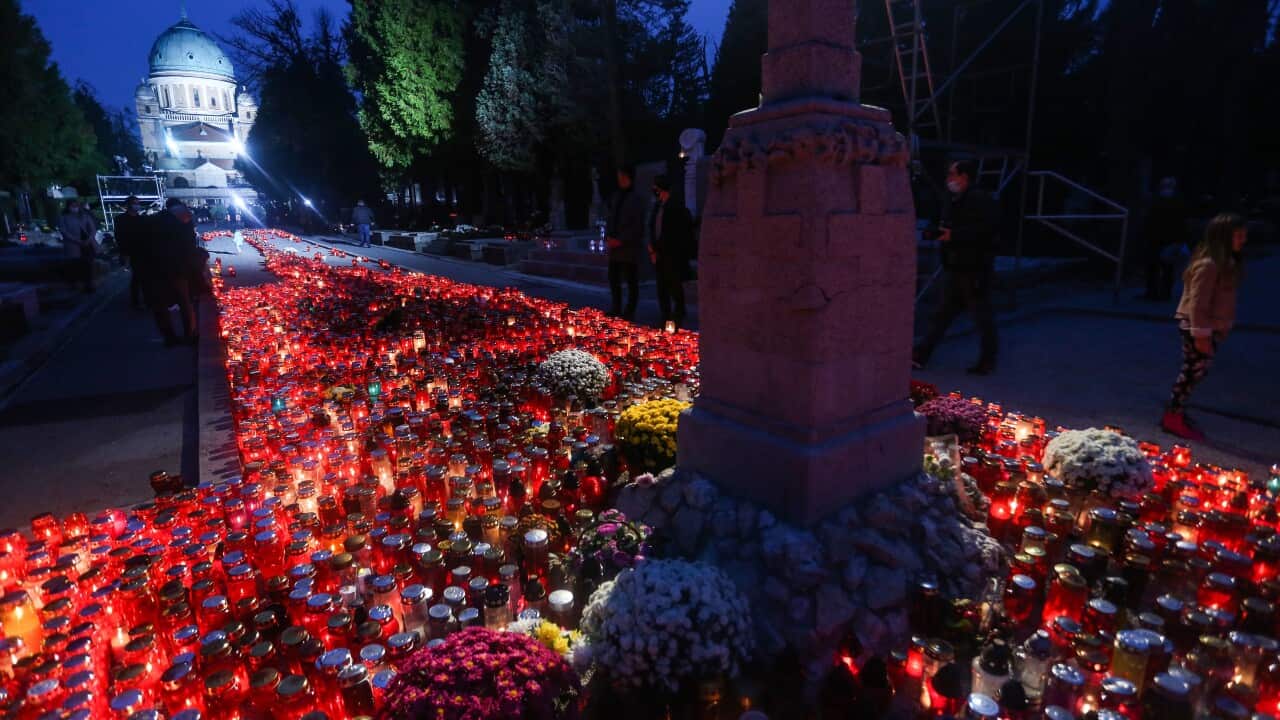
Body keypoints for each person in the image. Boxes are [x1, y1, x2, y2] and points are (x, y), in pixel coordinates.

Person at [1160, 213, 1247, 441]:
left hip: (1209, 328)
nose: (1242, 241)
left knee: (1195, 372)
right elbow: (1198, 303)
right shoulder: (1208, 266)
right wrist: (1201, 335)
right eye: (1237, 236)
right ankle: (1173, 415)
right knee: (1191, 373)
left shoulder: (1224, 264)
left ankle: (1176, 411)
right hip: (1197, 329)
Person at [913, 160, 1001, 375]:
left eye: (953, 174)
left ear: (965, 177)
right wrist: (938, 231)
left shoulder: (979, 199)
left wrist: (955, 235)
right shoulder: (954, 199)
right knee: (943, 314)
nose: (949, 179)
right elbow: (949, 224)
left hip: (974, 268)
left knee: (981, 316)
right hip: (956, 265)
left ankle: (987, 361)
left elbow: (985, 231)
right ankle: (921, 354)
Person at [140, 198, 200, 346]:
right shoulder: (183, 223)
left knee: (160, 305)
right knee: (184, 302)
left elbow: (142, 245)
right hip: (177, 268)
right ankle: (190, 335)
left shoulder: (151, 221)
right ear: (179, 211)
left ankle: (169, 338)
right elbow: (190, 247)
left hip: (154, 269)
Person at [647, 174, 694, 327]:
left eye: (655, 186)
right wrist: (652, 247)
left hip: (671, 254)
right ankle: (665, 315)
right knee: (661, 286)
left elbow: (675, 232)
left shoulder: (675, 206)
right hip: (659, 253)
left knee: (674, 285)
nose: (653, 189)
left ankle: (679, 314)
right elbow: (652, 226)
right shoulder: (657, 205)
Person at [606, 164, 646, 320]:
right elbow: (610, 218)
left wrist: (621, 240)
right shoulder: (616, 196)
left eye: (622, 176)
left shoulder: (636, 199)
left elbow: (637, 225)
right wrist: (608, 237)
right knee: (613, 278)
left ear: (629, 177)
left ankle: (629, 311)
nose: (619, 179)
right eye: (618, 177)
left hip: (628, 248)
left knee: (631, 280)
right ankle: (616, 307)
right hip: (614, 247)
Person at [1142, 177, 1190, 301]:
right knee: (1166, 267)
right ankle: (1163, 293)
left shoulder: (1156, 201)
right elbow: (1182, 222)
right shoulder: (1178, 201)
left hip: (1158, 238)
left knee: (1156, 266)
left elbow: (1150, 219)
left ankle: (1154, 292)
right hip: (1168, 238)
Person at [58, 199, 99, 293]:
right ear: (68, 207)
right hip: (73, 245)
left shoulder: (85, 216)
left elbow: (93, 228)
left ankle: (90, 284)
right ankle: (78, 285)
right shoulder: (63, 218)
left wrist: (89, 239)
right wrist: (77, 241)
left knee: (88, 264)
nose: (75, 208)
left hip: (88, 244)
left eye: (76, 206)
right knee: (76, 265)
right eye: (72, 206)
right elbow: (64, 231)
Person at [115, 196, 148, 308]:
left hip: (143, 250)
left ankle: (146, 299)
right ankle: (136, 301)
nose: (137, 205)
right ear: (128, 205)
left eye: (138, 203)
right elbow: (119, 237)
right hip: (130, 251)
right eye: (134, 203)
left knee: (145, 276)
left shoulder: (142, 219)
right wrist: (123, 253)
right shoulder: (121, 219)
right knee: (137, 276)